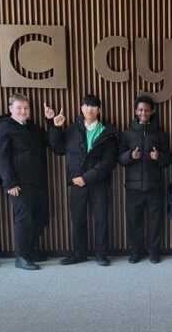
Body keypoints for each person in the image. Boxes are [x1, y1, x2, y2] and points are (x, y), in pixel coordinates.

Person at [46, 94, 118, 266]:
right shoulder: (72, 130)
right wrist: (55, 127)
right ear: (81, 108)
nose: (89, 109)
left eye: (93, 106)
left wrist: (86, 178)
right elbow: (58, 149)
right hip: (77, 183)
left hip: (98, 182)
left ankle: (101, 254)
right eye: (86, 106)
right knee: (77, 219)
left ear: (99, 110)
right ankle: (79, 254)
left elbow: (108, 162)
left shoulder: (108, 132)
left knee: (101, 219)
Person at [0, 93, 50, 270]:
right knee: (24, 219)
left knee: (41, 217)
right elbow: (0, 157)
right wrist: (9, 182)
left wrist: (50, 122)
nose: (23, 111)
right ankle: (22, 257)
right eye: (19, 108)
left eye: (26, 108)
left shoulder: (32, 127)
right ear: (11, 109)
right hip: (18, 183)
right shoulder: (4, 127)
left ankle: (30, 250)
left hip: (38, 181)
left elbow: (49, 141)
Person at [118, 95, 171, 263]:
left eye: (147, 110)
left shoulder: (160, 134)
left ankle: (154, 252)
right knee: (134, 222)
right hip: (133, 188)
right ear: (135, 111)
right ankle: (136, 252)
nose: (143, 113)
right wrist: (130, 155)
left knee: (156, 222)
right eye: (140, 110)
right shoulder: (127, 134)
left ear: (152, 111)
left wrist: (159, 156)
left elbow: (168, 159)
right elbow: (120, 159)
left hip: (155, 186)